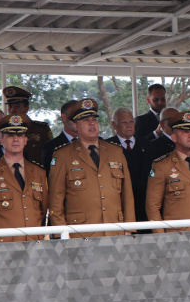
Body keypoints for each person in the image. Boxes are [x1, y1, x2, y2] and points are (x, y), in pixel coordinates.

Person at [47, 99, 134, 238]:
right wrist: (61, 234)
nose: (92, 123)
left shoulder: (115, 151)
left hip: (115, 230)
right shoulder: (63, 155)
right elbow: (55, 201)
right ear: (75, 125)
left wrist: (129, 227)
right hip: (80, 234)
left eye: (94, 119)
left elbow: (127, 194)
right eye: (86, 120)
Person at [0, 114, 48, 242]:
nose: (16, 140)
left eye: (20, 135)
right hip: (3, 245)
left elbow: (43, 209)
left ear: (26, 140)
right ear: (2, 140)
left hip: (34, 243)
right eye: (10, 136)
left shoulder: (39, 172)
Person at [106, 106, 148, 223]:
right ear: (114, 125)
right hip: (119, 207)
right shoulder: (107, 147)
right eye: (124, 122)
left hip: (145, 206)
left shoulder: (147, 144)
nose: (129, 125)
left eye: (131, 122)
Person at [2, 85, 53, 164]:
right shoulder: (4, 130)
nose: (12, 110)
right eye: (10, 106)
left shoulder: (41, 129)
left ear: (27, 108)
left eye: (17, 106)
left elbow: (50, 155)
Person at [41, 99, 79, 172]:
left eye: (80, 116)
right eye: (73, 115)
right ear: (64, 117)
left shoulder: (93, 144)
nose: (77, 119)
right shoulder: (50, 147)